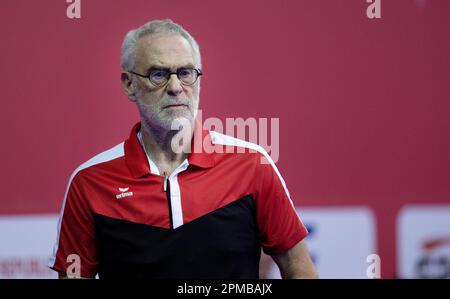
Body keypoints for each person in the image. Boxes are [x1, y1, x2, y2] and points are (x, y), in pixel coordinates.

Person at [48, 19, 318, 279]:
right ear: (129, 85)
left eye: (186, 73)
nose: (176, 87)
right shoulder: (89, 183)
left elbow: (300, 269)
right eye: (158, 74)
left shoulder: (252, 164)